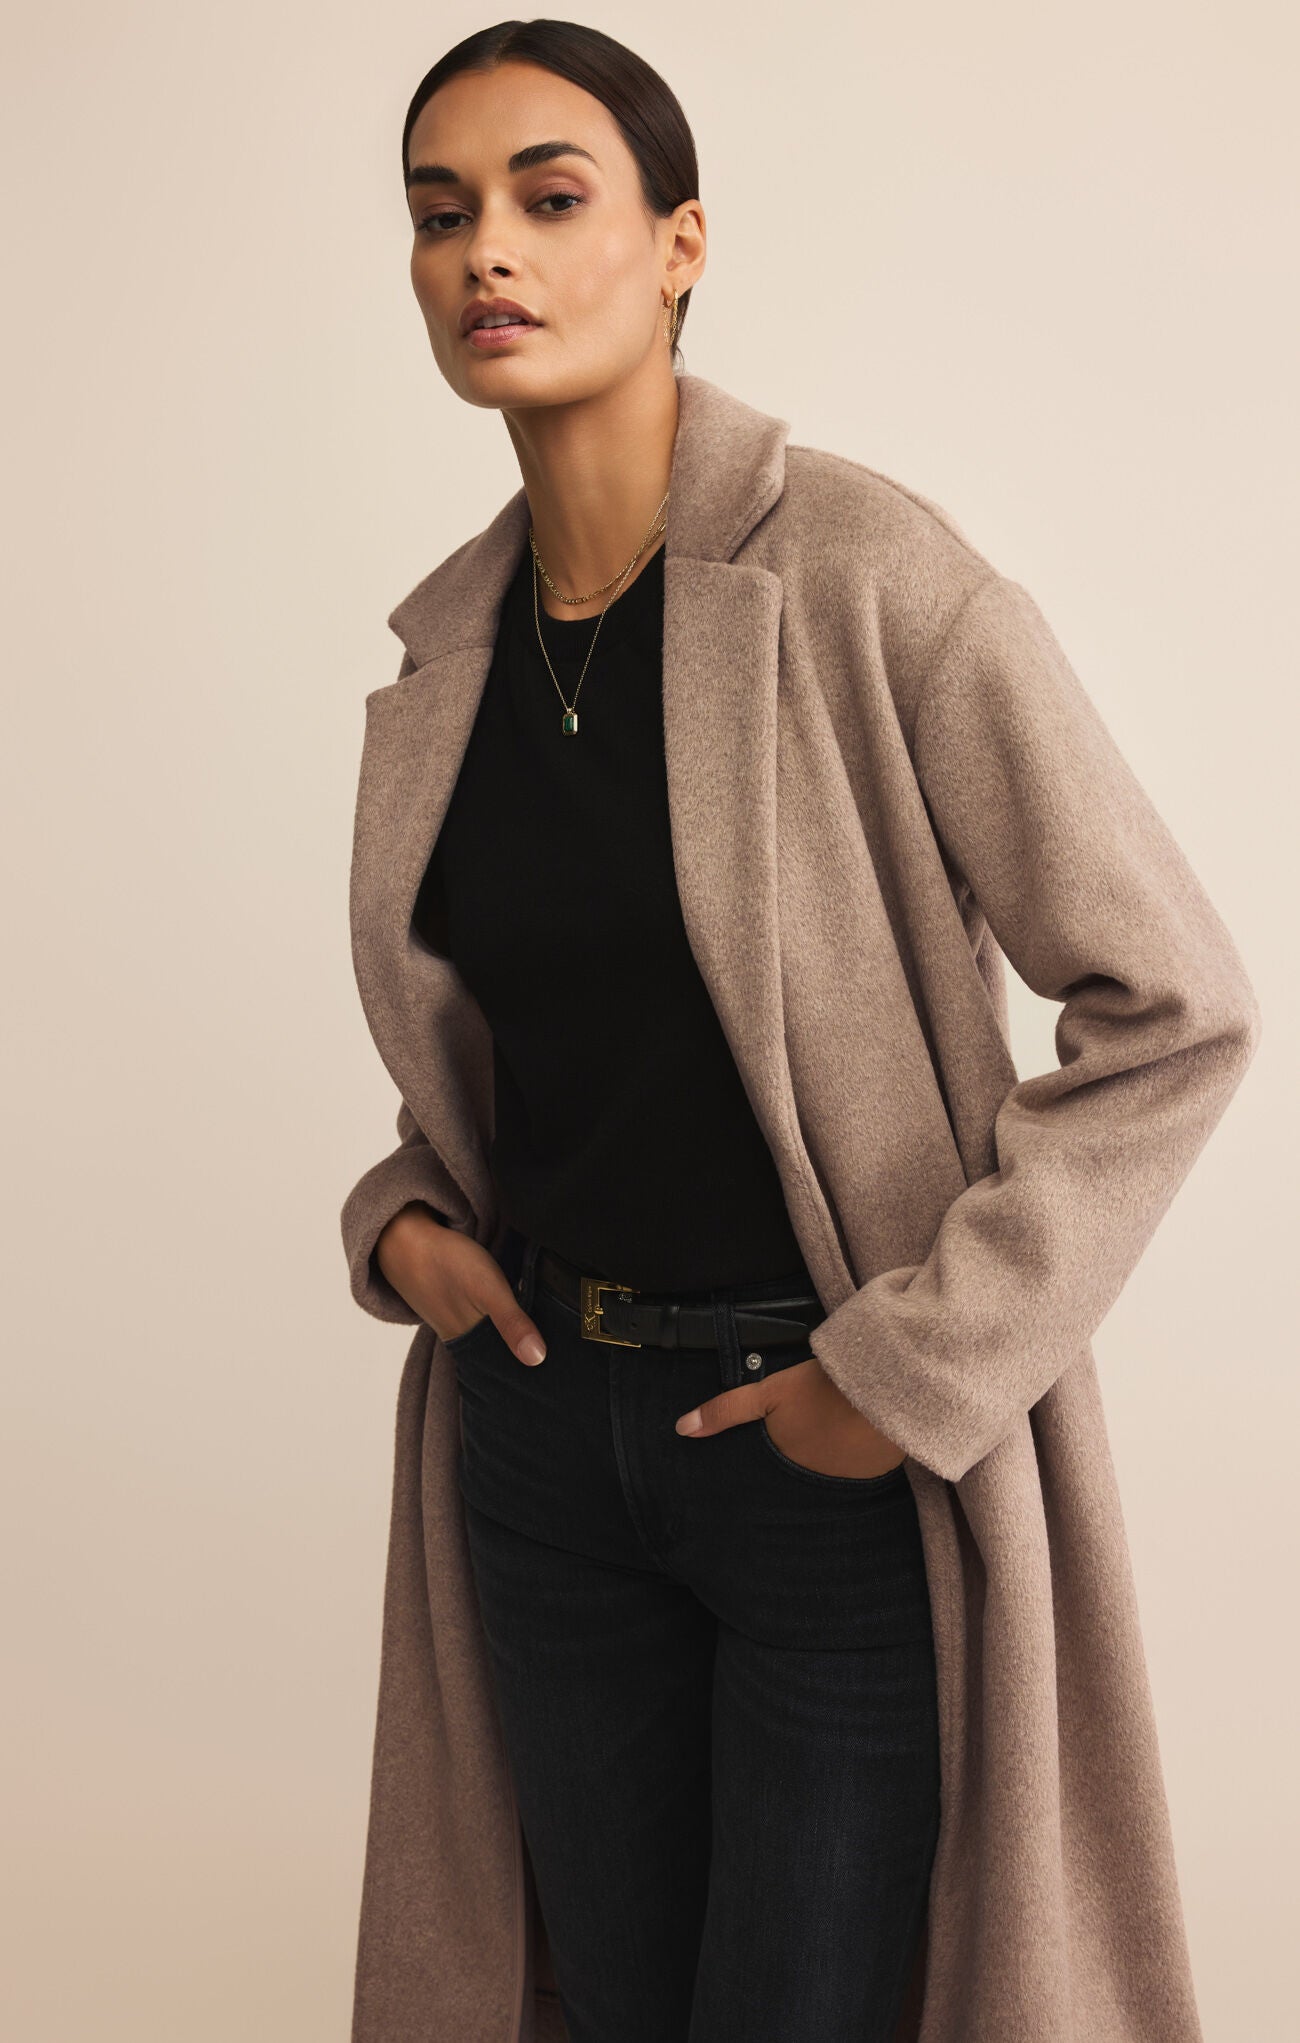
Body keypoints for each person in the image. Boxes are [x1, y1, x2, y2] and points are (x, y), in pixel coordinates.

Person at [340, 21, 1260, 2043]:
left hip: (823, 1446)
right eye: (438, 212)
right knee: (604, 2000)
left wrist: (906, 1371)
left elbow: (1173, 1009)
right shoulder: (446, 651)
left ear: (678, 246)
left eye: (548, 197)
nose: (485, 251)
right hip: (539, 1441)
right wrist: (399, 1214)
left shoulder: (865, 577)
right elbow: (535, 1049)